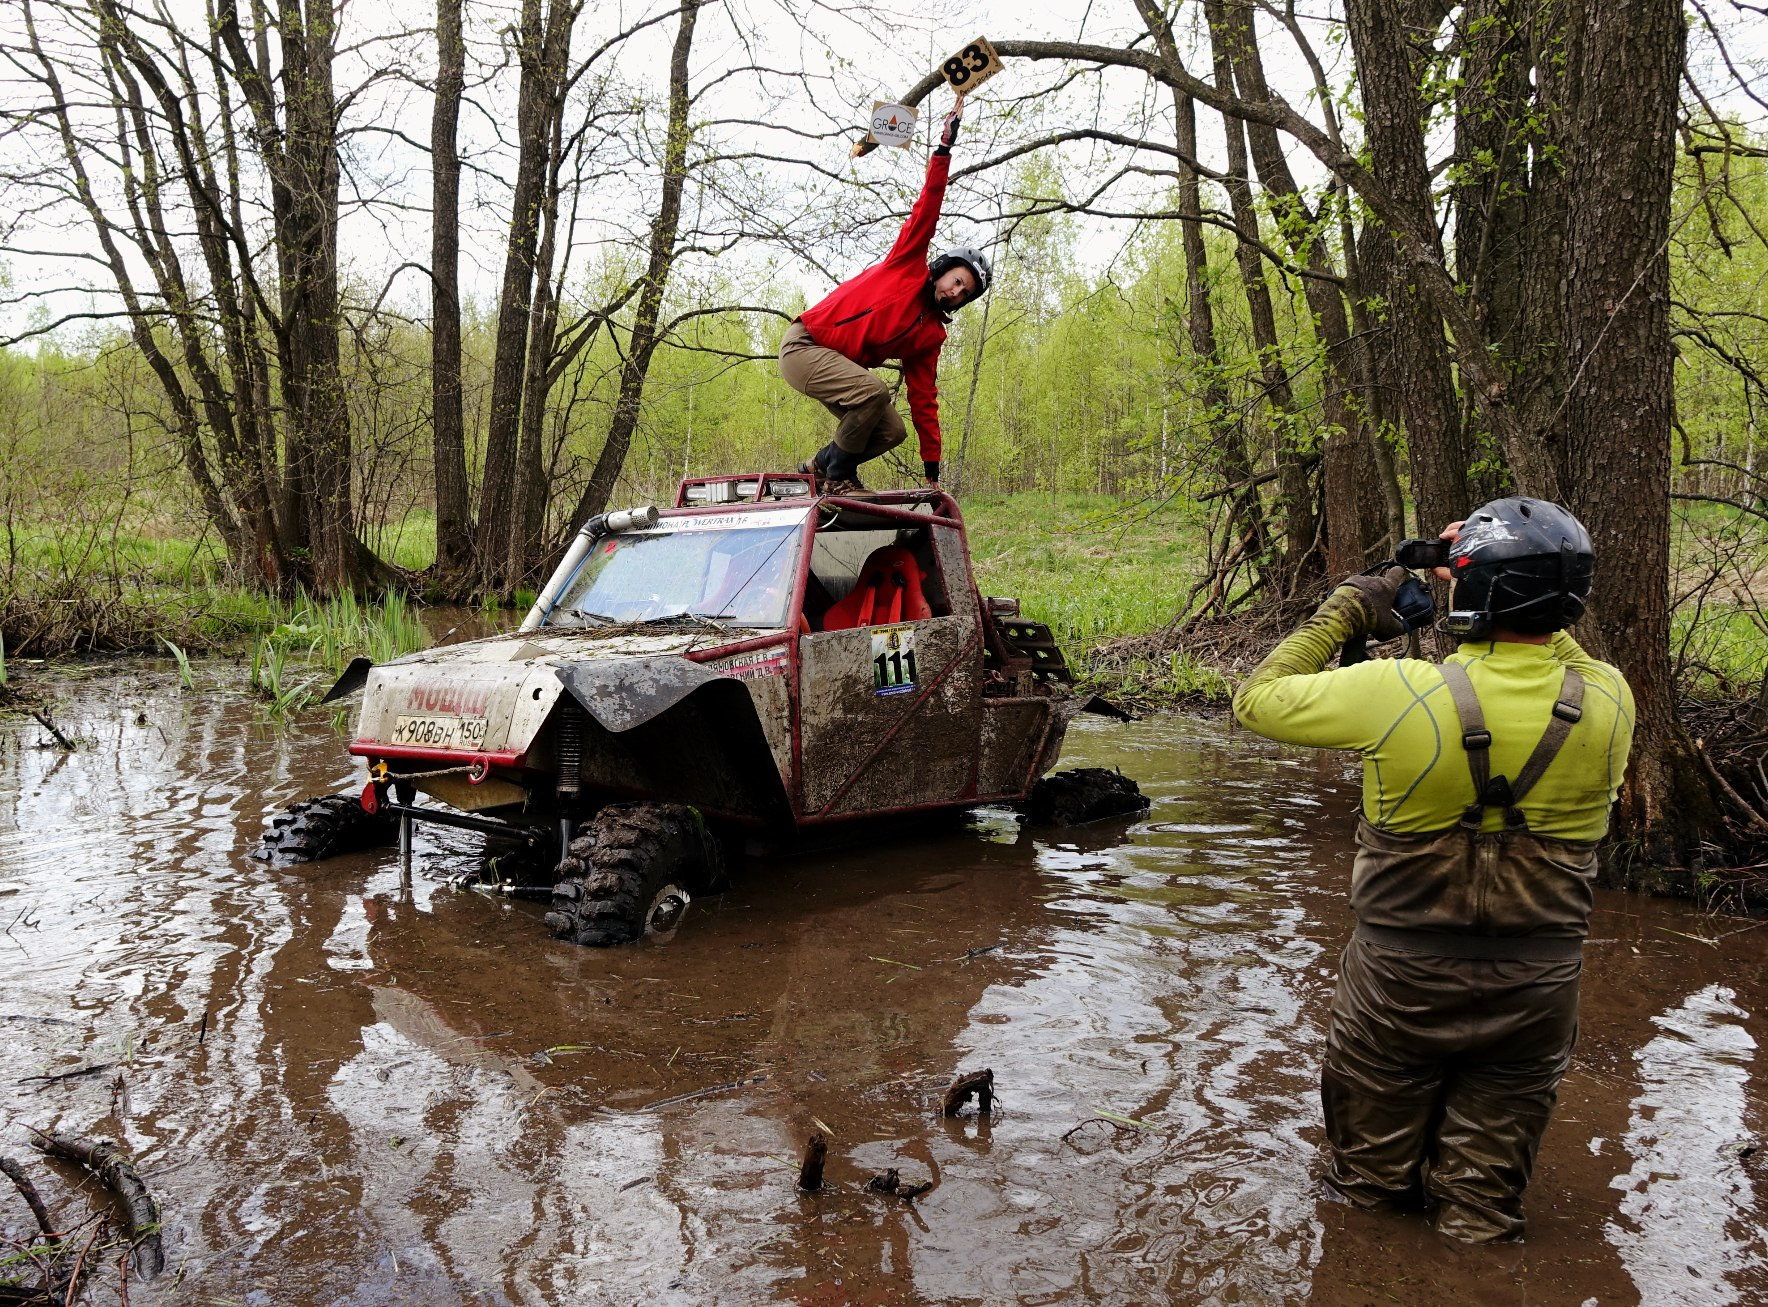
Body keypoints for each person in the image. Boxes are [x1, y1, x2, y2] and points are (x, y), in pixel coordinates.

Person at [1232, 497, 1636, 1242]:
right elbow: (1562, 646)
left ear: (1473, 589)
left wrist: (1348, 608)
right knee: (1483, 1215)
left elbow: (1255, 699)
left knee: (1366, 1197)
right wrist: (1514, 567)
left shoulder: (1397, 691)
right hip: (1535, 993)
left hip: (1398, 991)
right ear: (1569, 598)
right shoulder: (1610, 699)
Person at [779, 96, 990, 496]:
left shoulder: (930, 337)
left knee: (893, 430)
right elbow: (929, 205)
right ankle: (838, 479)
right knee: (873, 391)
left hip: (836, 366)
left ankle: (819, 467)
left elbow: (925, 399)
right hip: (804, 346)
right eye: (956, 280)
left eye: (963, 294)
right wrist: (944, 148)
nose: (955, 292)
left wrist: (932, 469)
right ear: (944, 268)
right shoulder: (907, 264)